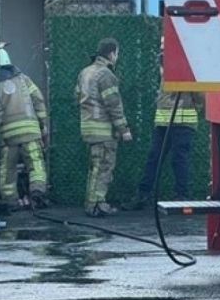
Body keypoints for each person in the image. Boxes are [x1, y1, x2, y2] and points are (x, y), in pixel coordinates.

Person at [76, 37, 132, 217]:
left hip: (87, 127)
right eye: (117, 53)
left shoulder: (84, 72)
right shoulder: (106, 75)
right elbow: (114, 105)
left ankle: (93, 202)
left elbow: (77, 96)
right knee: (103, 167)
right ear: (111, 53)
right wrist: (124, 130)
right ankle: (96, 205)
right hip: (102, 130)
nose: (117, 57)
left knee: (94, 167)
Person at [128, 88, 203, 209]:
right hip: (163, 123)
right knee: (154, 158)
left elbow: (200, 95)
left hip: (183, 123)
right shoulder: (165, 71)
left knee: (178, 159)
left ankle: (181, 196)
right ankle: (143, 195)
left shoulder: (187, 73)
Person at [0, 45, 50, 211]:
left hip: (9, 136)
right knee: (36, 164)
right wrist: (43, 125)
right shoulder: (24, 79)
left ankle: (10, 201)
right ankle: (37, 192)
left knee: (7, 170)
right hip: (31, 133)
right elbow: (38, 100)